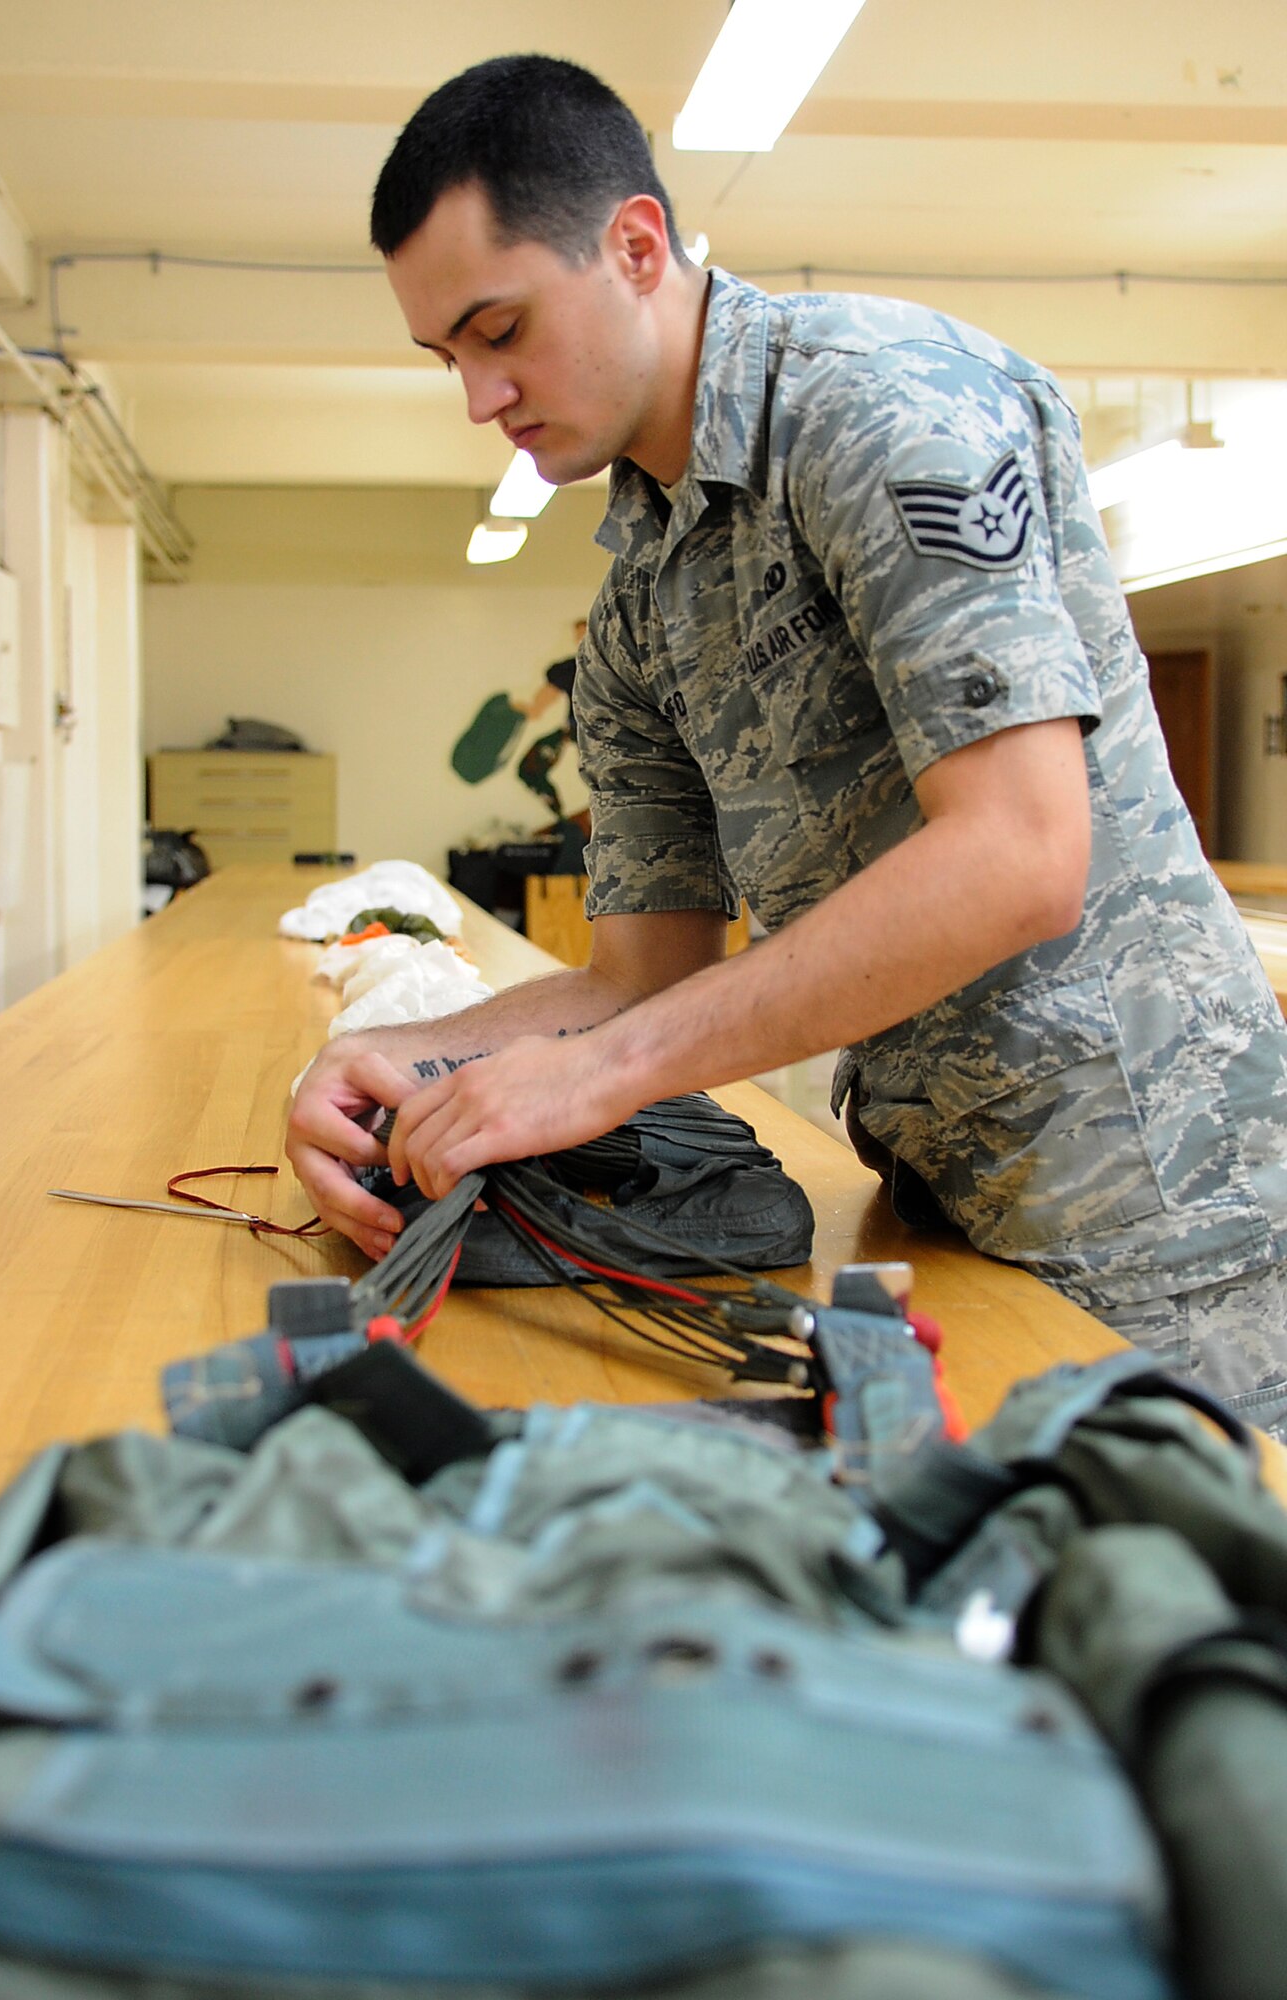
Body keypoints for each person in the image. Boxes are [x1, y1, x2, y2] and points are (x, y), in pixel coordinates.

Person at [286, 54, 1287, 1433]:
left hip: (1159, 1206)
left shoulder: (881, 408)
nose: (478, 396)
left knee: (1187, 1617)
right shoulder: (642, 592)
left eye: (499, 329)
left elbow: (1020, 854)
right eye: (446, 354)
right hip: (938, 1195)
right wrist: (419, 1059)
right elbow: (643, 970)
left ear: (637, 245)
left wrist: (602, 1075)